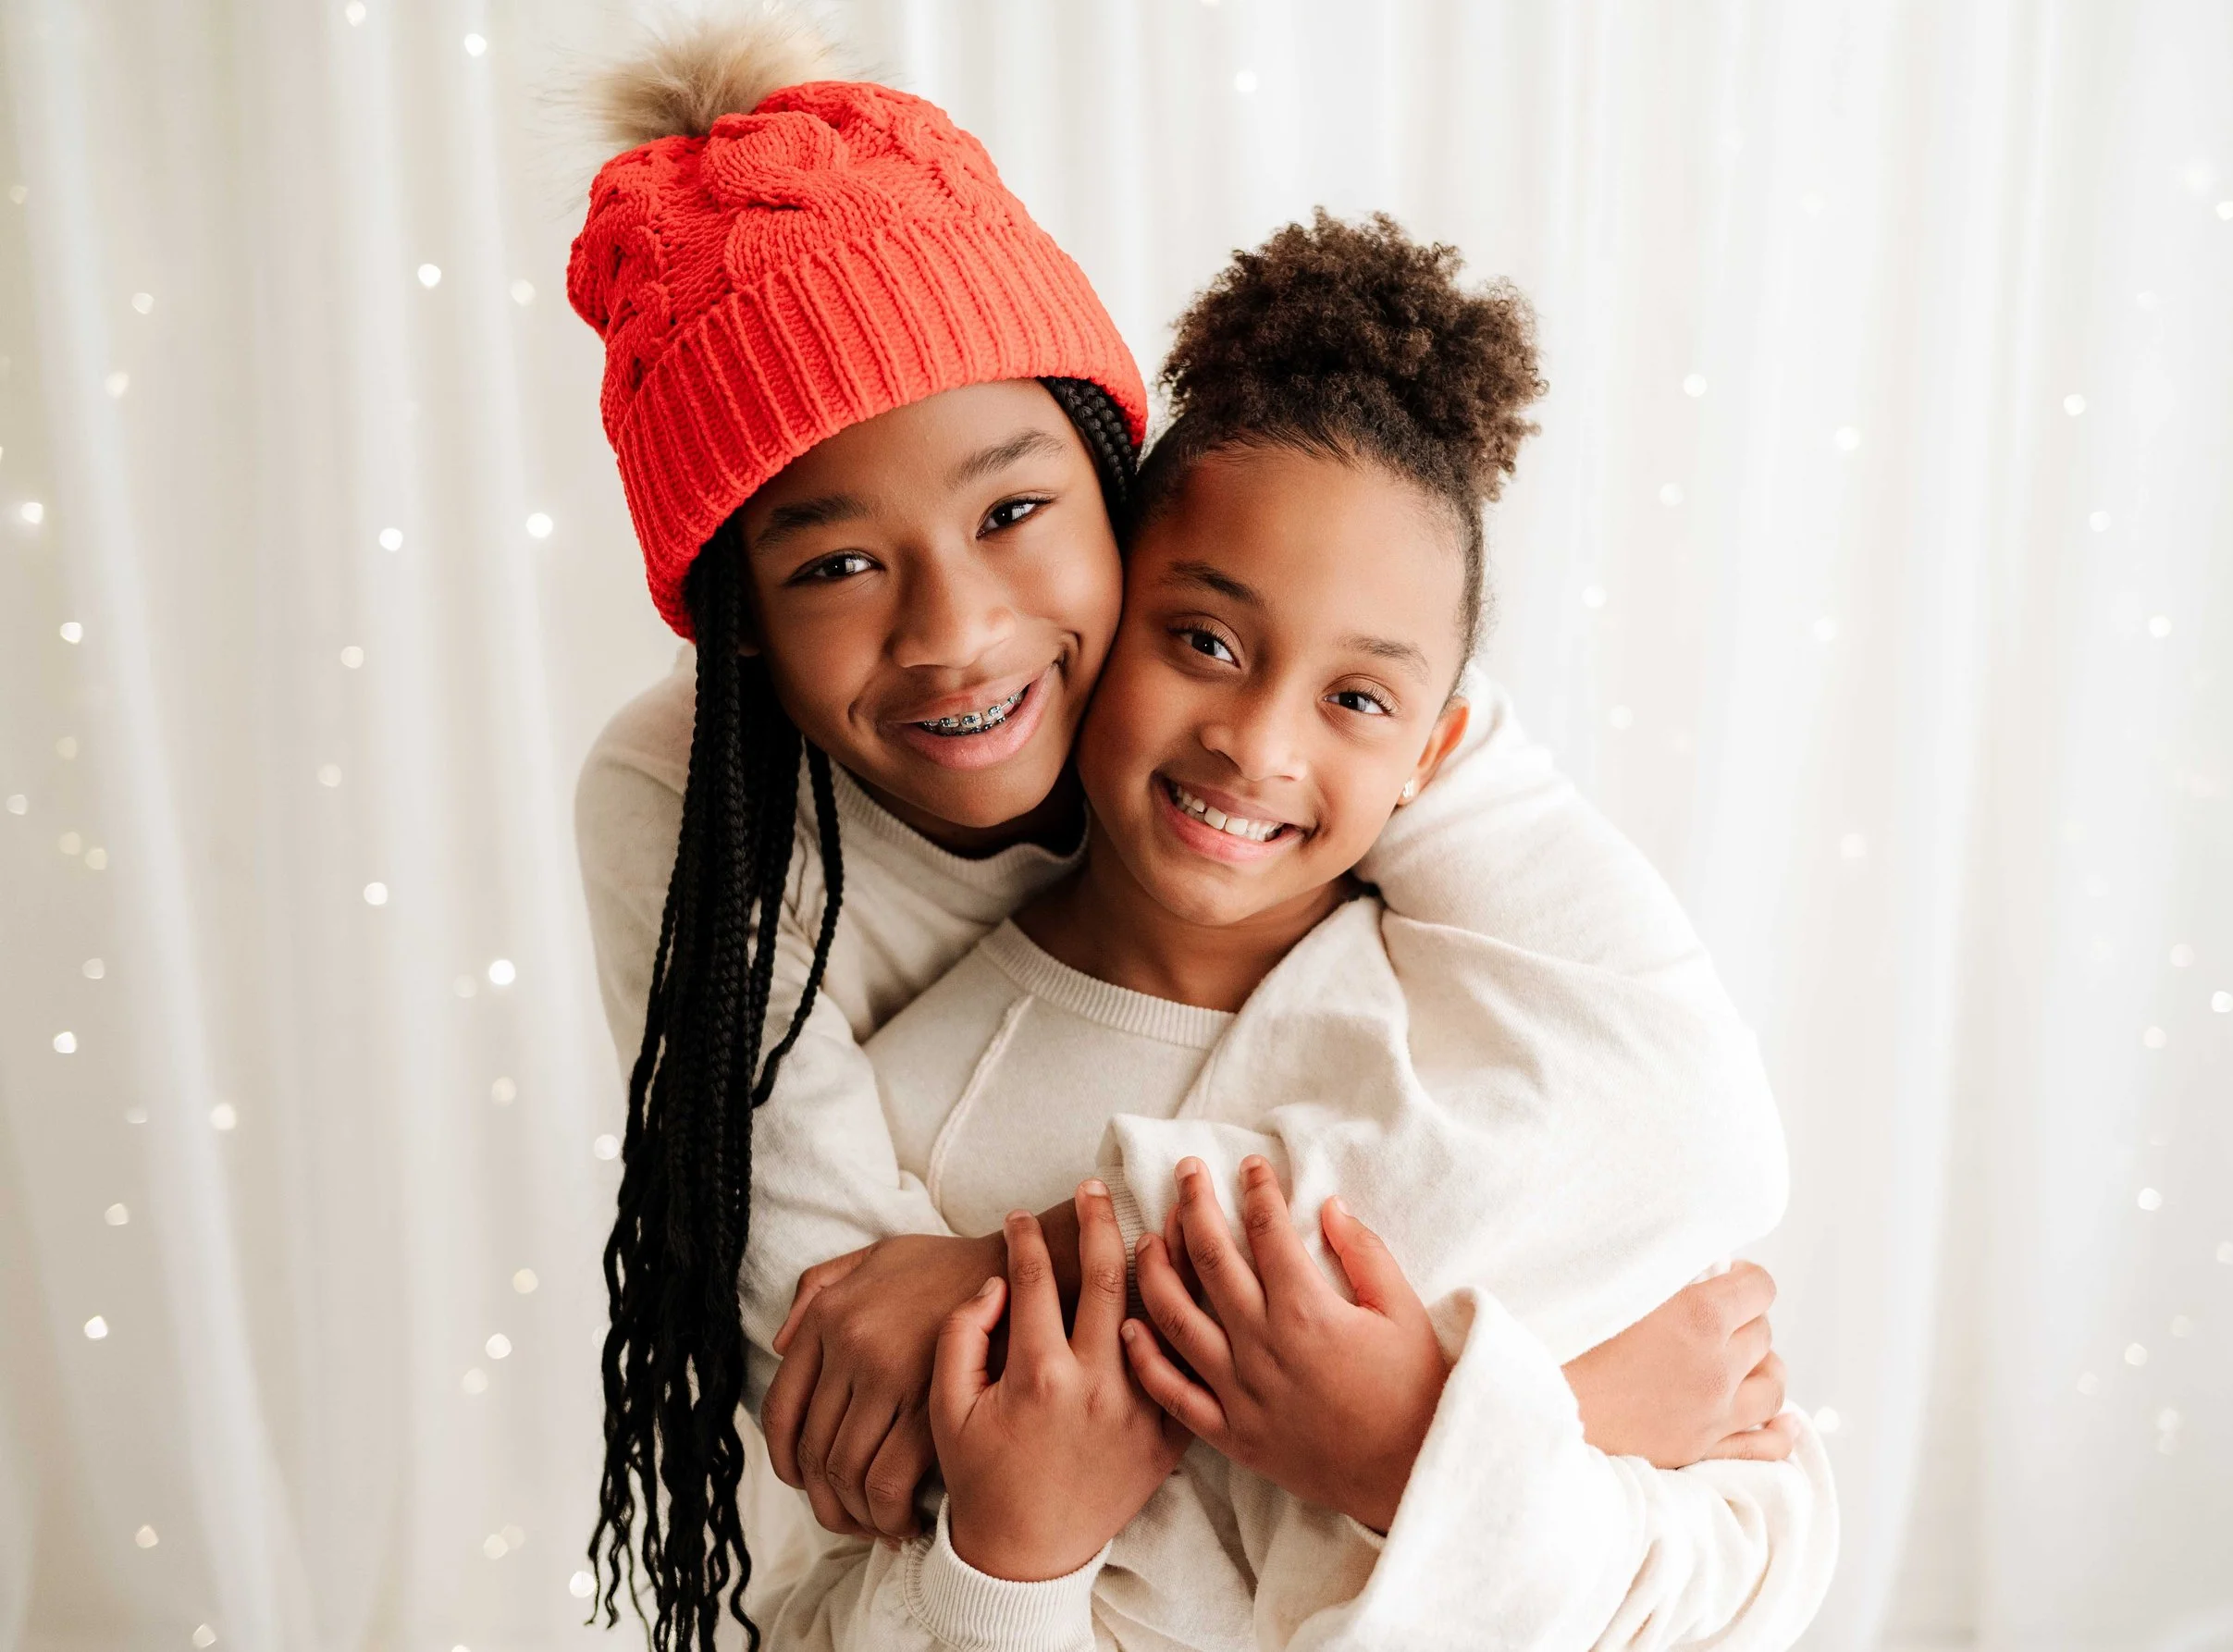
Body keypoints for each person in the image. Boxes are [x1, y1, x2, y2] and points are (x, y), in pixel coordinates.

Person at [566, 16, 1798, 1648]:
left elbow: (1751, 1501)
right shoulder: (760, 890)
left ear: (1117, 499)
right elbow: (871, 1422)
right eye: (836, 564)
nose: (960, 633)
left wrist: (1414, 1425)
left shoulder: (1442, 941)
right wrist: (1517, 1416)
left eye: (1015, 512)